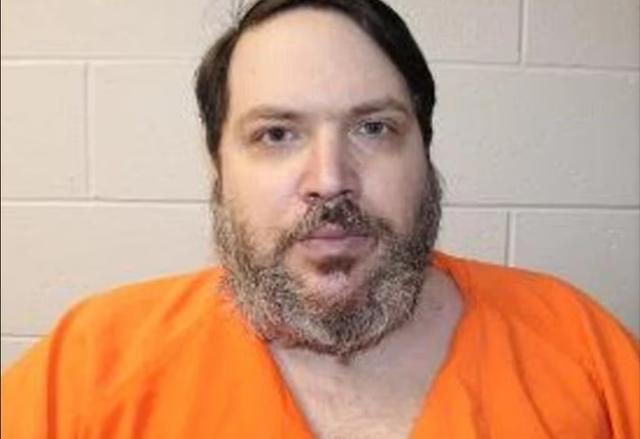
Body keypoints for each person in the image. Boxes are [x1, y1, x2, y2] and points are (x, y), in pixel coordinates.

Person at [2, 0, 638, 437]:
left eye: (373, 128)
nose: (331, 178)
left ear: (424, 152)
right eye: (277, 134)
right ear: (219, 167)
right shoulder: (87, 369)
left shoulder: (583, 349)